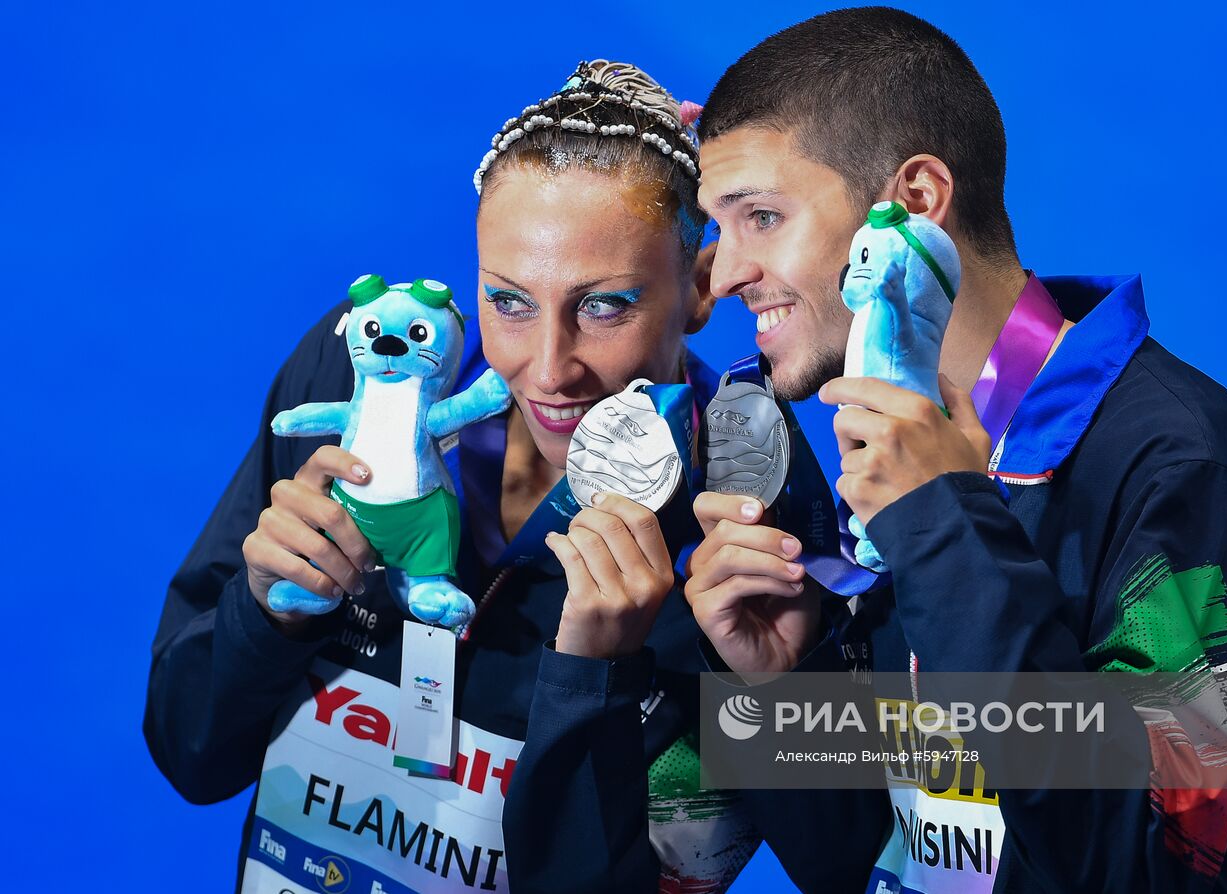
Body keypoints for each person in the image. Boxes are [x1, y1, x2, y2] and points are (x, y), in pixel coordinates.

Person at [144, 59, 876, 893]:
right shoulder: (364, 376)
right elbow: (190, 756)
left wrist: (771, 695)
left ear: (701, 287)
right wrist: (263, 614)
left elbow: (851, 862)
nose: (549, 369)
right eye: (510, 301)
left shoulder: (754, 489)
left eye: (606, 305)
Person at [684, 8, 1227, 893]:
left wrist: (948, 530)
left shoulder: (1184, 468)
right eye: (719, 228)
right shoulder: (897, 450)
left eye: (760, 215)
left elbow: (1157, 872)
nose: (722, 275)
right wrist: (793, 687)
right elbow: (895, 862)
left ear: (914, 201)